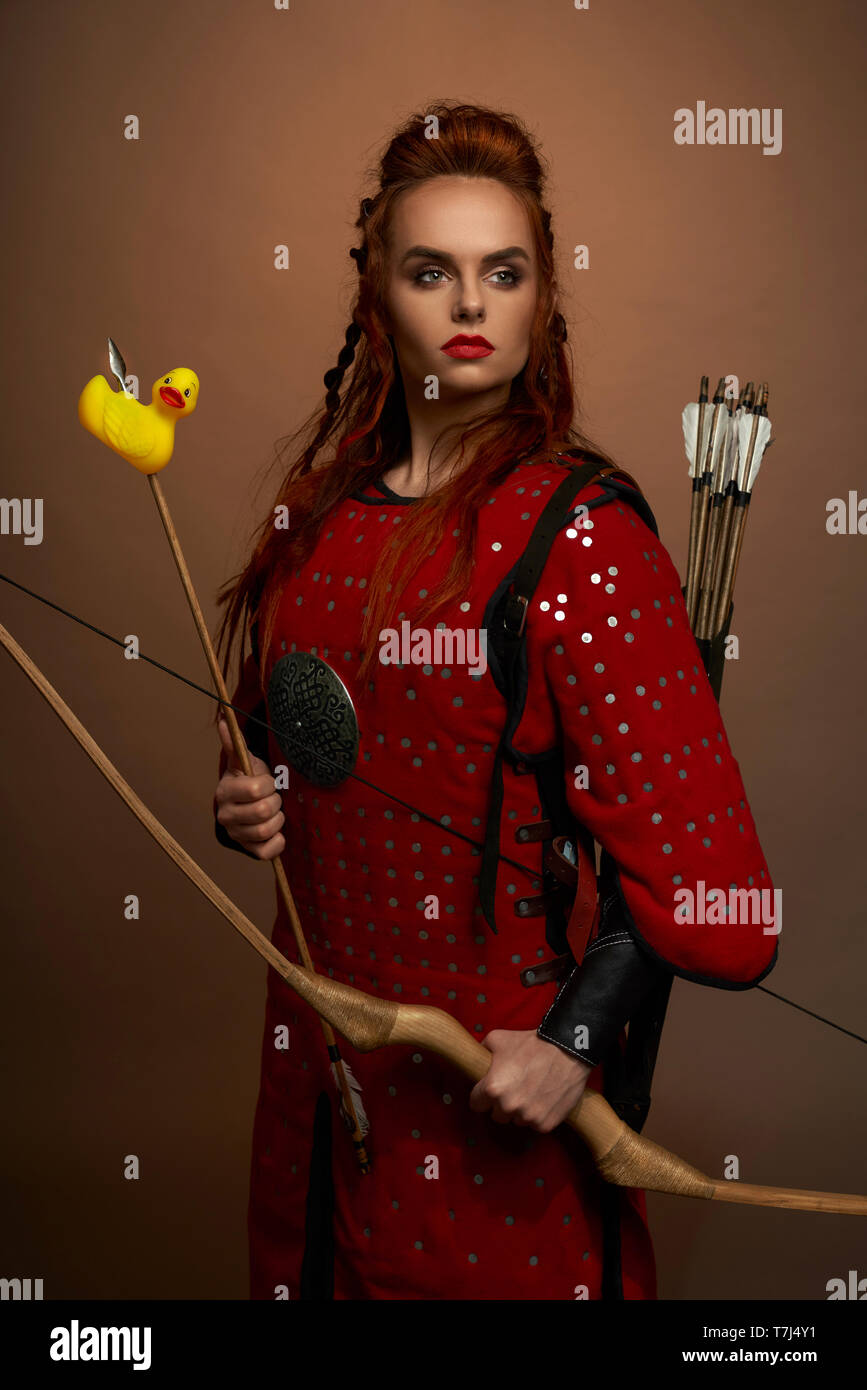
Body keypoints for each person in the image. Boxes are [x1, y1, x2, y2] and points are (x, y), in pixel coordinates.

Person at [211, 101, 777, 1301]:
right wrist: (252, 792)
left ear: (539, 298)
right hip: (315, 1100)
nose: (470, 306)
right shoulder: (314, 518)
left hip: (491, 1106)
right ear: (380, 296)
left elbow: (716, 894)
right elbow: (293, 738)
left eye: (501, 272)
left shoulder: (585, 534)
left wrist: (575, 1044)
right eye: (433, 271)